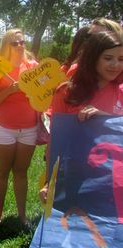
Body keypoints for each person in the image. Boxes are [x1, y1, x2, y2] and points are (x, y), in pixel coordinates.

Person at [40, 30, 123, 203]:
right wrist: (50, 181)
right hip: (73, 180)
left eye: (121, 59)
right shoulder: (65, 93)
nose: (115, 64)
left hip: (113, 185)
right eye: (108, 58)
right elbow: (57, 142)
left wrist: (106, 119)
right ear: (93, 58)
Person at [0, 28, 38, 226]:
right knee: (1, 172)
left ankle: (22, 216)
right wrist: (11, 90)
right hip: (3, 128)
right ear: (6, 46)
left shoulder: (32, 67)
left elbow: (44, 94)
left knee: (21, 172)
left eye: (22, 42)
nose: (20, 46)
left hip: (29, 128)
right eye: (15, 43)